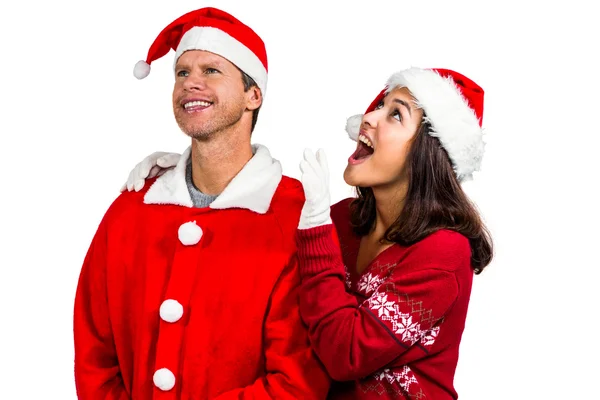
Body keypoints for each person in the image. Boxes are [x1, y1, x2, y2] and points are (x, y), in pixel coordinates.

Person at [125, 66, 493, 399]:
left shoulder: (444, 253)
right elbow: (259, 241)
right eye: (379, 105)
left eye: (395, 114)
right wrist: (189, 182)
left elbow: (345, 355)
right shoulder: (342, 221)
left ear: (429, 152)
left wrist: (316, 227)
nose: (368, 117)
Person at [73, 7, 330, 400]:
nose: (191, 83)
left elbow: (298, 379)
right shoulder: (131, 209)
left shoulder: (298, 216)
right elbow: (95, 351)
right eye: (182, 72)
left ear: (252, 95)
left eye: (211, 71)